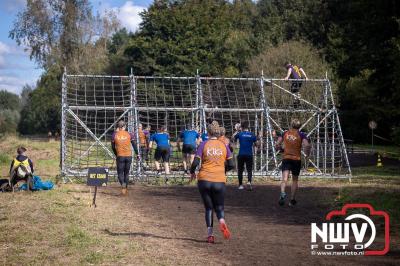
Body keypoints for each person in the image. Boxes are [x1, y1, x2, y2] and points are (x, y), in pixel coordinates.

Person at [190, 121, 234, 243]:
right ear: (218, 133)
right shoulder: (224, 145)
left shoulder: (204, 144)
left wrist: (192, 172)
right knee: (219, 207)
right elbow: (231, 164)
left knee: (209, 208)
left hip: (204, 179)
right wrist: (222, 170)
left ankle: (210, 235)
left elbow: (195, 162)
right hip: (219, 180)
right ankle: (222, 221)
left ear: (208, 133)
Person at [275, 118, 311, 206]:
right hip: (296, 159)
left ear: (291, 125)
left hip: (286, 158)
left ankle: (283, 193)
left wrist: (280, 149)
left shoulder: (285, 133)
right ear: (300, 126)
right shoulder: (302, 135)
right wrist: (307, 154)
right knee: (295, 180)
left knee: (284, 179)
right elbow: (307, 145)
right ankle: (292, 200)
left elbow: (277, 144)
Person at [111, 120, 137, 196]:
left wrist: (116, 154)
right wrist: (138, 154)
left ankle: (123, 185)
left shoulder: (114, 135)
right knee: (126, 173)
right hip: (129, 156)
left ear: (118, 127)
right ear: (124, 126)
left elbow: (113, 147)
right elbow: (134, 145)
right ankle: (125, 189)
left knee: (120, 173)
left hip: (120, 156)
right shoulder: (129, 134)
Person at [233, 121, 258, 190]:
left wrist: (237, 131)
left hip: (241, 154)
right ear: (248, 126)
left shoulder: (240, 134)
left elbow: (233, 138)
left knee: (240, 170)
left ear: (242, 127)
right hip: (249, 154)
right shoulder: (252, 134)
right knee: (249, 169)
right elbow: (257, 144)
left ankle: (240, 185)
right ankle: (249, 182)